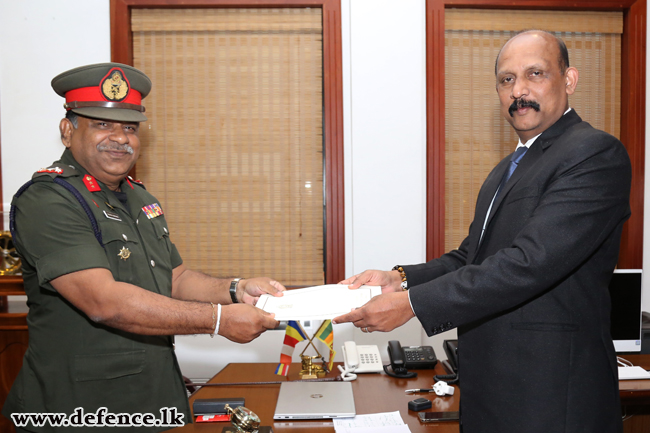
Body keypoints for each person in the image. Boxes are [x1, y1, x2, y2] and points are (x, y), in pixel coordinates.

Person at [333, 30, 631, 433]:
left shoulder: (593, 153)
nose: (519, 90)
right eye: (507, 80)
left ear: (569, 80)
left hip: (551, 395)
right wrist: (400, 278)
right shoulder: (505, 169)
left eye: (535, 74)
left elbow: (529, 262)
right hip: (490, 389)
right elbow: (471, 256)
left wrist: (414, 303)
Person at [3, 63, 284, 432]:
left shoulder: (139, 197)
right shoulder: (49, 200)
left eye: (130, 128)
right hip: (78, 408)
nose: (120, 138)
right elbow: (104, 302)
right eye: (102, 124)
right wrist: (218, 320)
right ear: (67, 130)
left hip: (155, 399)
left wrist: (236, 289)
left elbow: (174, 277)